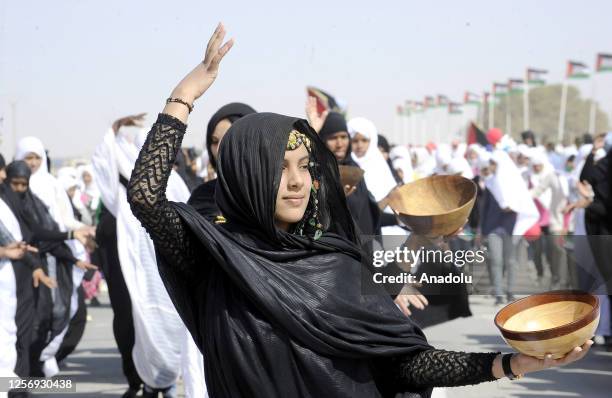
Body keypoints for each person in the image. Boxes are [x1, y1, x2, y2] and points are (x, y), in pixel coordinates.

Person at [127, 23, 592, 398]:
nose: (296, 181)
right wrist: (183, 96)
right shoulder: (217, 260)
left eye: (304, 166)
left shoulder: (335, 262)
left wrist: (510, 363)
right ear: (244, 176)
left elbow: (406, 363)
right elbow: (146, 197)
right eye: (277, 168)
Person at [92, 114, 205, 398]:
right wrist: (115, 126)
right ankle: (139, 379)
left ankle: (162, 377)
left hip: (159, 258)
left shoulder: (171, 179)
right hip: (126, 254)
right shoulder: (119, 185)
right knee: (129, 317)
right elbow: (103, 159)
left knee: (165, 316)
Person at [188, 102, 256, 221]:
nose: (219, 148)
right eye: (214, 141)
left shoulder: (276, 193)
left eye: (228, 138)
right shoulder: (203, 196)